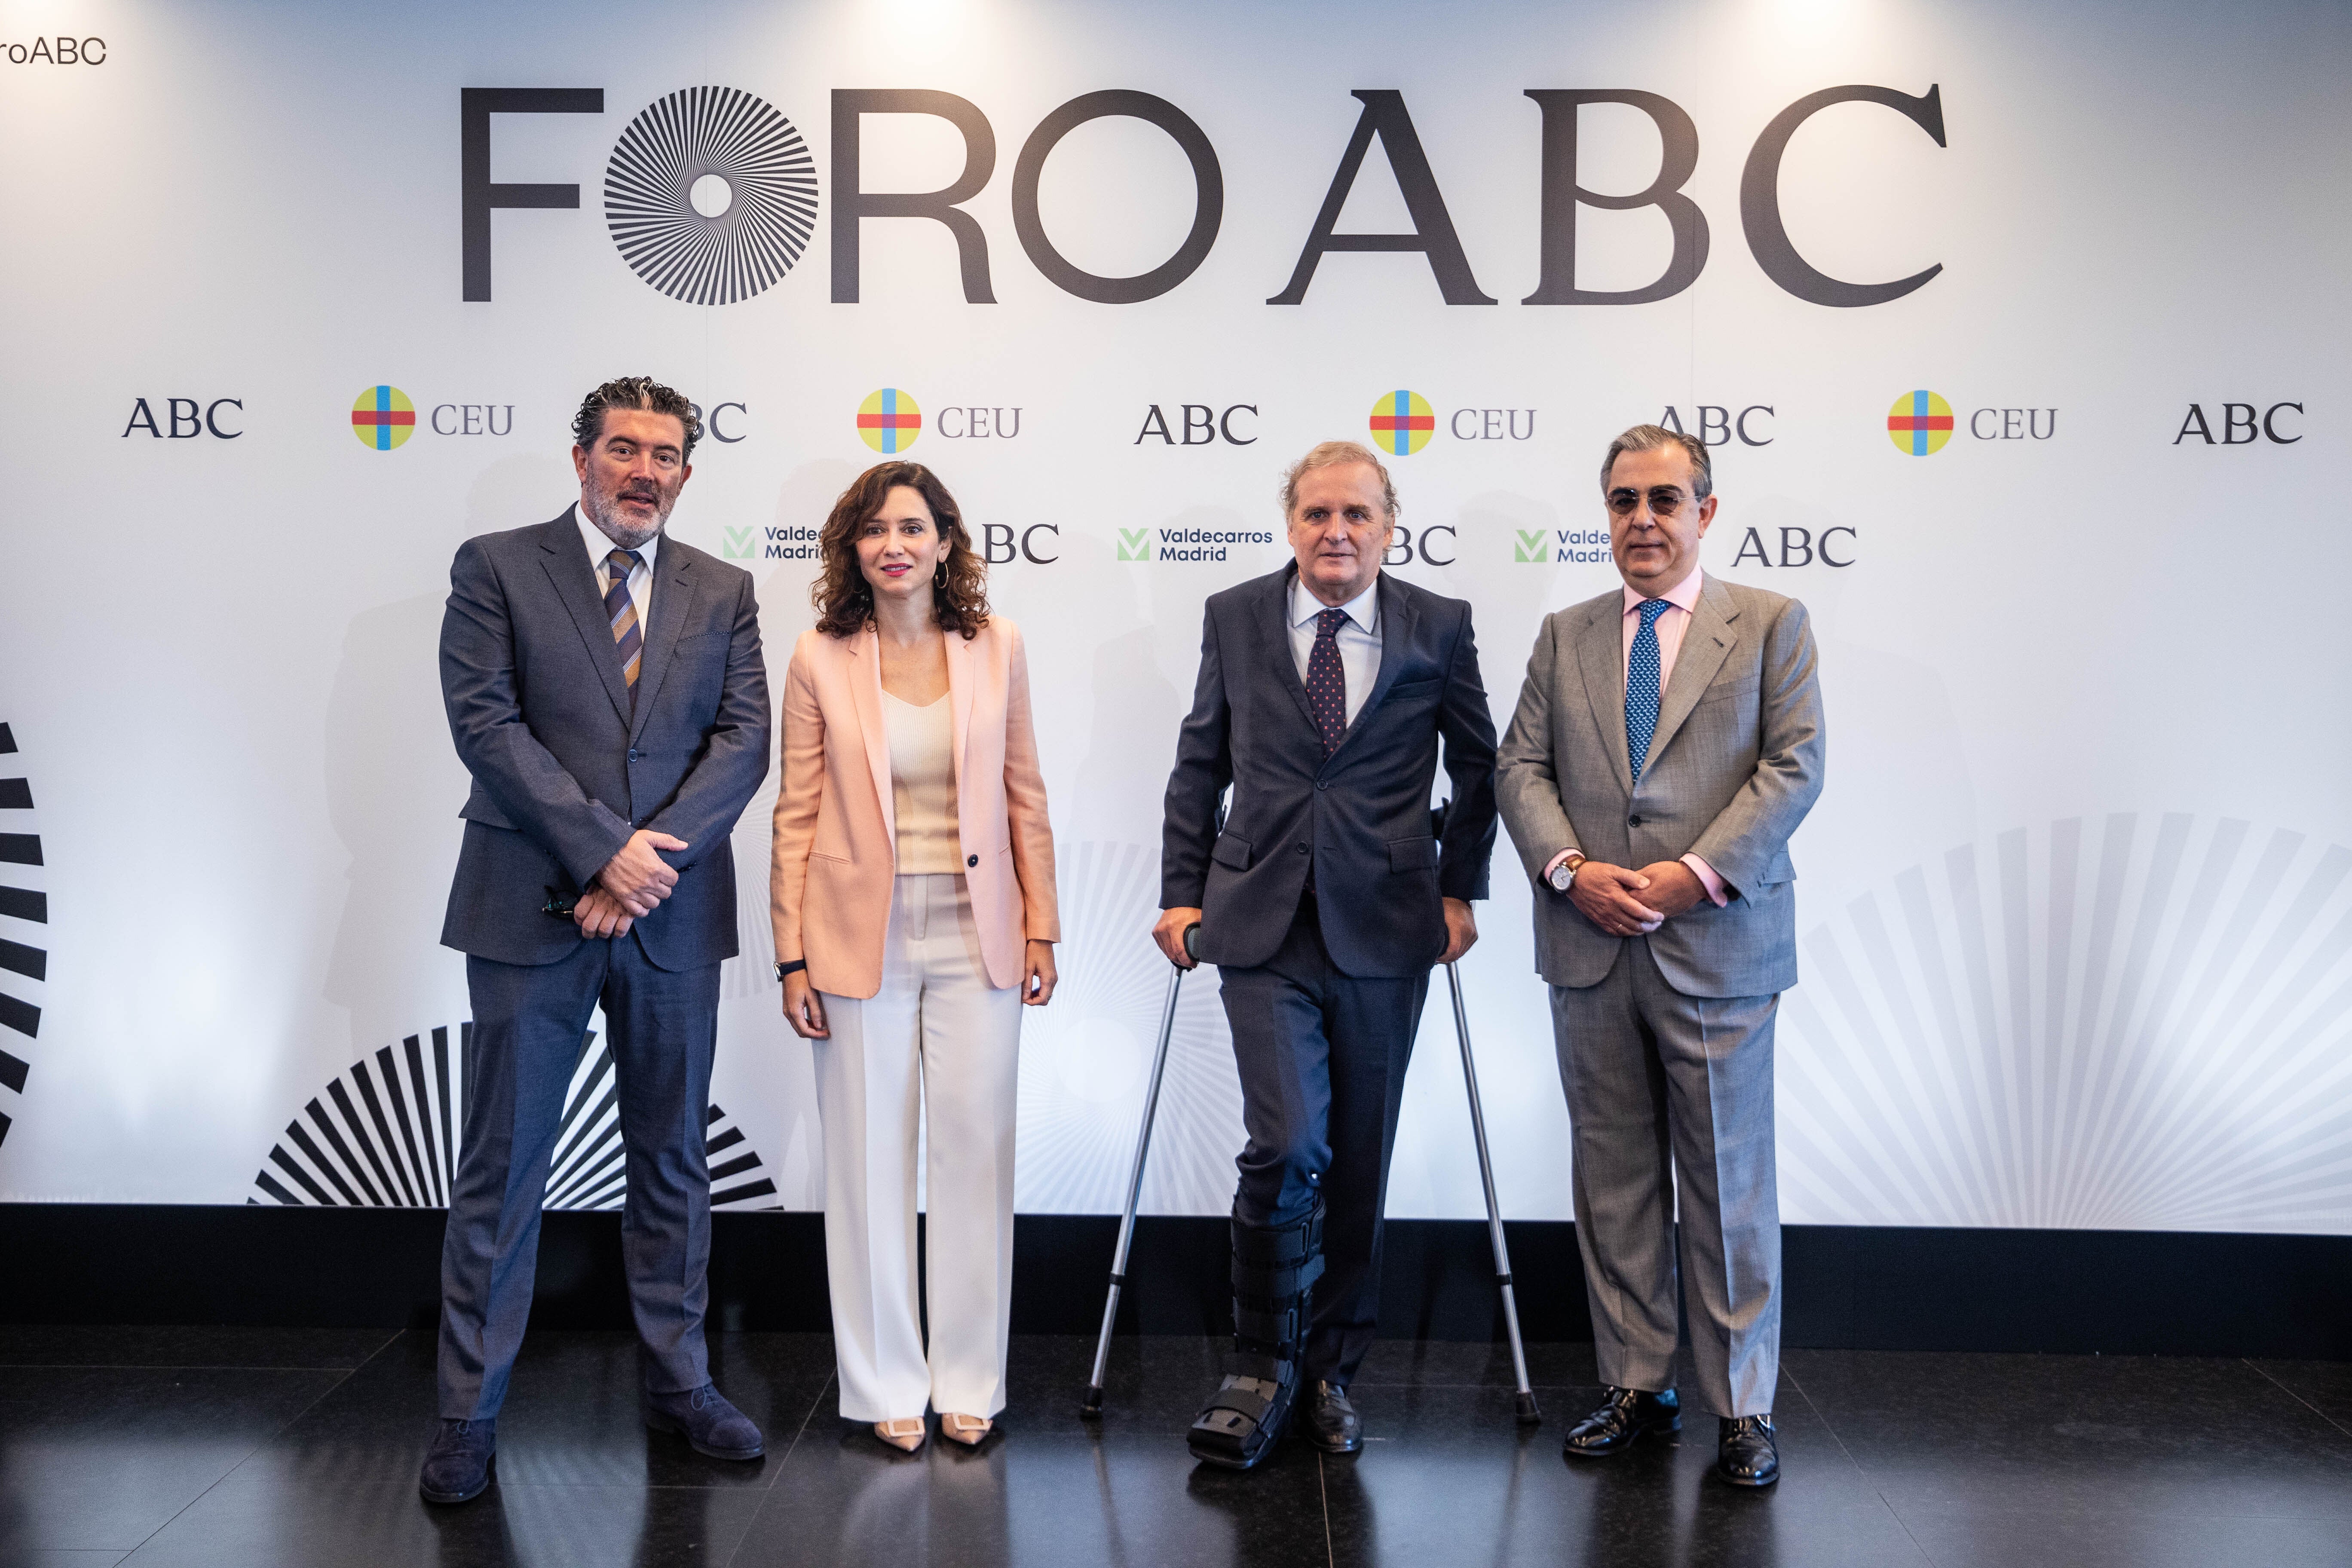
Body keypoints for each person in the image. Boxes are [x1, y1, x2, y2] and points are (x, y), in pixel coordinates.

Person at [423, 377, 772, 1504]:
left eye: (665, 454)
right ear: (581, 460)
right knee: (504, 1169)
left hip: (667, 916)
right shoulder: (496, 566)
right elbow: (487, 723)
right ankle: (468, 1416)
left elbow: (743, 741)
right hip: (532, 908)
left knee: (671, 1164)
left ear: (685, 473)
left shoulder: (724, 588)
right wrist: (596, 852)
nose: (644, 471)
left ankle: (681, 1389)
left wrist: (643, 864)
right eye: (623, 448)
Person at [1155, 440, 1498, 1470]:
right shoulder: (1235, 614)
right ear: (1290, 523)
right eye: (1316, 515)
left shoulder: (1439, 624)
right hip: (1257, 921)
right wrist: (1180, 893)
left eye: (1356, 515)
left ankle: (1331, 1372)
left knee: (1358, 1164)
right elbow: (1199, 759)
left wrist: (1458, 888)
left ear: (1390, 527)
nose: (1335, 532)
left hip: (1389, 926)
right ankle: (1262, 1362)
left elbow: (1479, 764)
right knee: (1291, 1144)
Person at [1494, 424, 1825, 1487]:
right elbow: (1520, 768)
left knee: (1728, 1185)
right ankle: (1637, 1384)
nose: (1644, 519)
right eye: (1625, 501)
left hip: (1716, 941)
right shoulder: (1565, 631)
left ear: (1706, 513)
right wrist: (1569, 869)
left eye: (1665, 501)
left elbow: (1795, 767)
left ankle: (1742, 1408)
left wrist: (1697, 873)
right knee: (1616, 1181)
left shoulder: (1772, 623)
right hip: (1591, 942)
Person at [770, 461, 1059, 1453]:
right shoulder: (817, 656)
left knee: (977, 1154)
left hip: (979, 933)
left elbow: (1027, 793)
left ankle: (971, 1377)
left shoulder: (998, 647)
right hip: (859, 938)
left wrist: (1041, 928)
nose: (894, 543)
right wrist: (790, 959)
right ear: (852, 550)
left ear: (945, 542)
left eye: (913, 526)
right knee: (866, 1162)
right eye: (873, 529)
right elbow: (795, 814)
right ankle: (886, 1380)